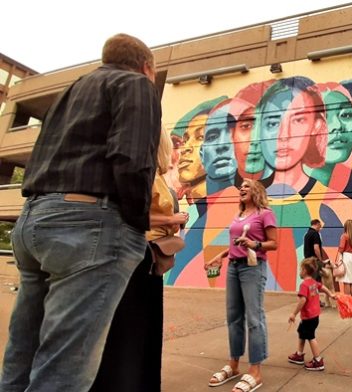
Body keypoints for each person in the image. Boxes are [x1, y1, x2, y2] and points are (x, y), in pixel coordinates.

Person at [1, 33, 161, 392]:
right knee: (65, 367)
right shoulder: (136, 83)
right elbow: (132, 160)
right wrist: (137, 224)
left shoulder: (70, 93)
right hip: (89, 225)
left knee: (22, 350)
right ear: (147, 67)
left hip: (34, 219)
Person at [90, 128, 189, 392]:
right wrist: (171, 219)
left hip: (149, 258)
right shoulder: (143, 173)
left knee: (141, 332)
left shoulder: (154, 175)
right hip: (136, 254)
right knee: (131, 331)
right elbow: (129, 214)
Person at [205, 179, 277, 392]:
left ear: (256, 191)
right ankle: (234, 364)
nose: (242, 189)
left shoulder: (265, 213)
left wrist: (255, 244)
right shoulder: (238, 215)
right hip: (233, 267)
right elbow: (235, 243)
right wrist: (220, 255)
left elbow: (273, 243)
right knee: (233, 317)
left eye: (247, 186)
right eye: (241, 187)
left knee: (255, 318)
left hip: (253, 267)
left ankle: (255, 370)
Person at [287, 257, 337, 371]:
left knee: (310, 337)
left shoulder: (304, 285)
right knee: (302, 332)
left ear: (304, 270)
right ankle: (299, 355)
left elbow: (303, 300)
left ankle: (318, 361)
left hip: (309, 317)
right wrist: (331, 294)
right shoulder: (314, 283)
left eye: (300, 269)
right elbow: (322, 287)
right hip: (314, 316)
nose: (300, 271)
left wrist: (294, 314)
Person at [303, 219, 333, 307]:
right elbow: (316, 248)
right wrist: (320, 259)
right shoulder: (315, 234)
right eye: (319, 226)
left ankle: (310, 300)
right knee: (315, 282)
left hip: (307, 260)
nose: (320, 228)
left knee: (309, 280)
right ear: (316, 224)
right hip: (314, 260)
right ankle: (315, 301)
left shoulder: (307, 234)